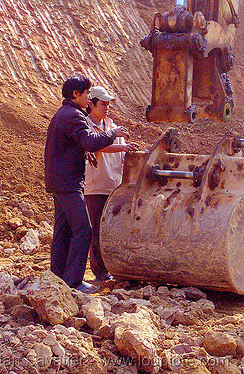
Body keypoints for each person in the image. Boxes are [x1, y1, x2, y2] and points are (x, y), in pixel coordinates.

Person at [44, 74, 126, 294]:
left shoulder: (63, 114)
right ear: (75, 94)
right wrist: (113, 134)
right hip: (69, 183)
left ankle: (57, 278)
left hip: (59, 181)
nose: (89, 98)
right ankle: (74, 281)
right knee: (84, 229)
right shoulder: (73, 116)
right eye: (87, 93)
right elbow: (90, 142)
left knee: (63, 231)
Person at [84, 86, 138, 282]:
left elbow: (121, 149)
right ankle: (99, 272)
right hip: (97, 186)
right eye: (103, 103)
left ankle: (114, 267)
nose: (107, 107)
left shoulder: (111, 126)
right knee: (97, 229)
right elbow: (97, 145)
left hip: (115, 186)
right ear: (92, 104)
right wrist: (122, 145)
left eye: (108, 104)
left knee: (113, 229)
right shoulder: (87, 128)